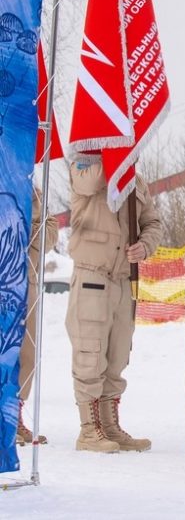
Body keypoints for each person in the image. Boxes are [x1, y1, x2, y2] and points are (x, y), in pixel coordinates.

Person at [67, 155, 162, 453]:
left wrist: (145, 245)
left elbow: (153, 222)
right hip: (92, 276)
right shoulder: (83, 166)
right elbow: (91, 182)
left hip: (123, 280)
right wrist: (113, 157)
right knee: (90, 353)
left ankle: (109, 425)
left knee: (117, 355)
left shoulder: (136, 179)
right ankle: (89, 430)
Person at [16, 187, 58, 446]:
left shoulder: (29, 185)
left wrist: (25, 229)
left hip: (24, 282)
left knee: (25, 354)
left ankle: (13, 417)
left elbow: (50, 232)